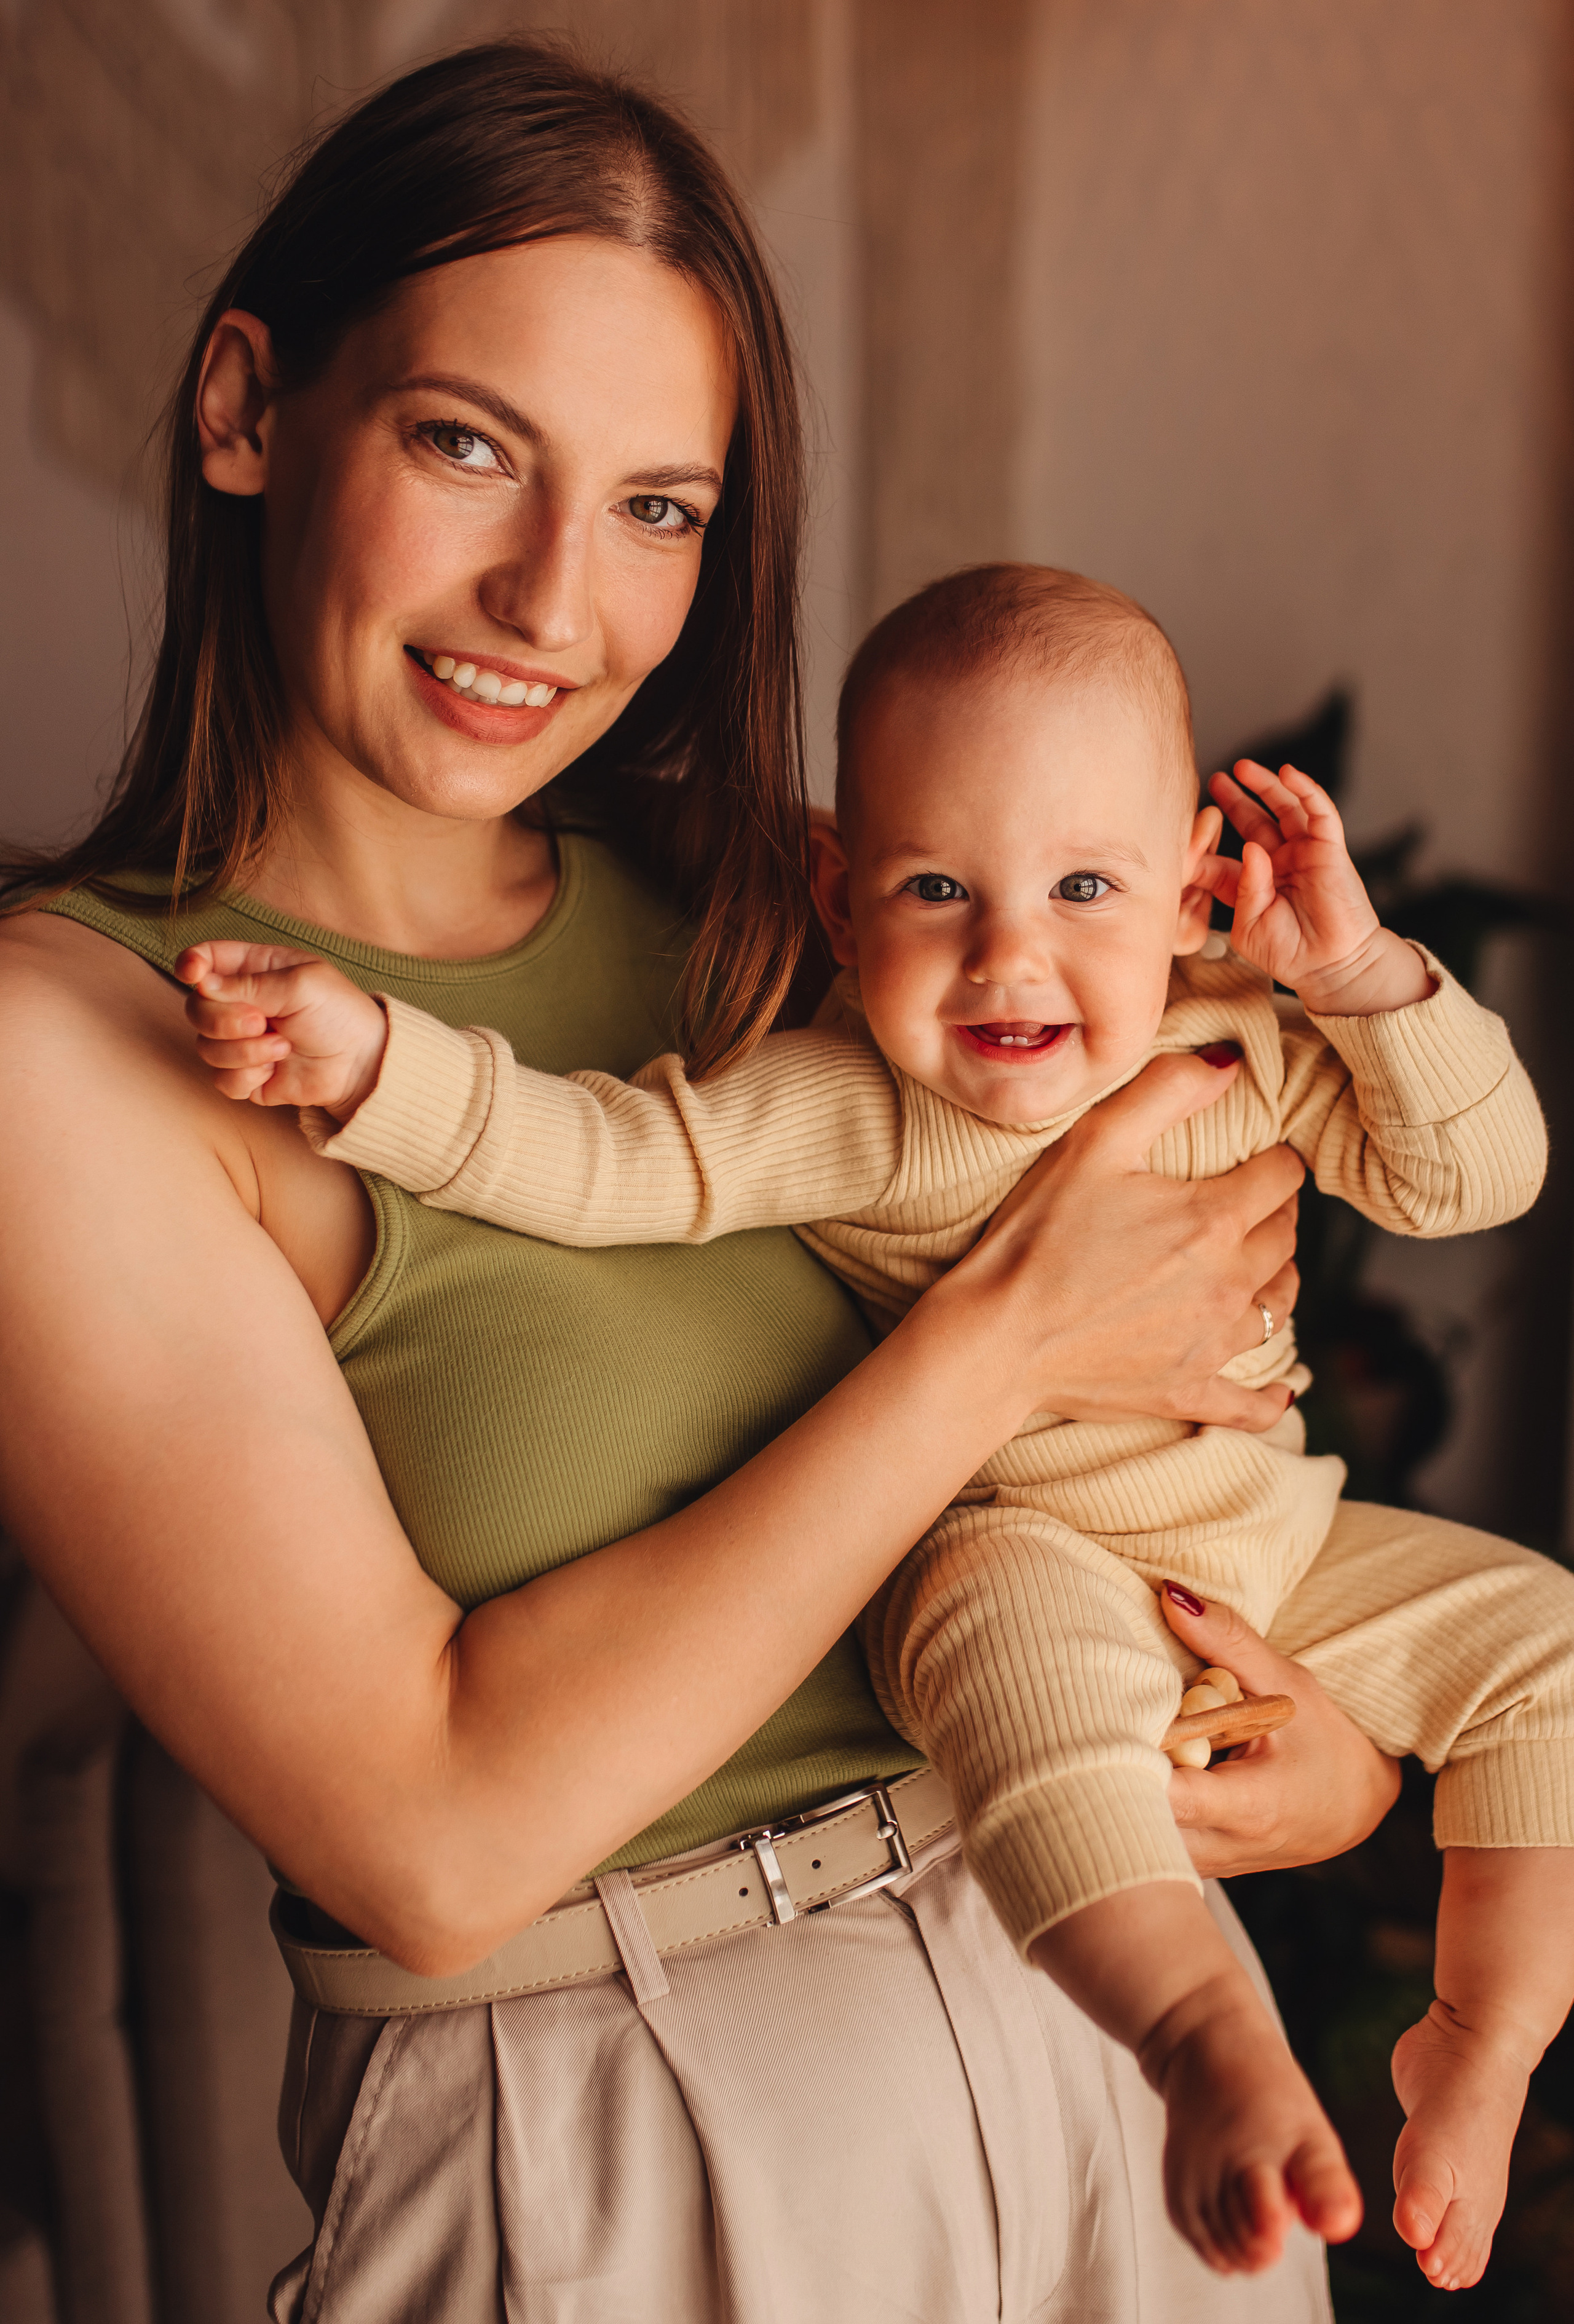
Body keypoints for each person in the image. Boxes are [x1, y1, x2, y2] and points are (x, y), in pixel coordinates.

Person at [0, 41, 1398, 2323]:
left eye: (662, 506)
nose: (558, 595)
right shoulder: (74, 1047)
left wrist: (1295, 1736)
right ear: (249, 409)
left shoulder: (794, 912)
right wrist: (1005, 1330)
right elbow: (433, 1838)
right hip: (621, 2133)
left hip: (1103, 2037)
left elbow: (1164, 1385)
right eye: (470, 447)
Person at [182, 563, 1574, 2295]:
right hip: (1034, 1551)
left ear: (1197, 896)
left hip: (1274, 1546)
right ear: (841, 900)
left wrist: (1364, 976)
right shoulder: (856, 1111)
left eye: (1085, 886)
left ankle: (1483, 2037)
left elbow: (1475, 1174)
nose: (1012, 956)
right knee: (1025, 1679)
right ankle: (1204, 2033)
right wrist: (378, 1060)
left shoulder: (1244, 1049)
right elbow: (602, 1155)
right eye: (939, 886)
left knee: (1549, 1648)